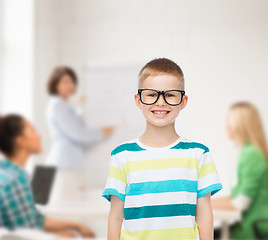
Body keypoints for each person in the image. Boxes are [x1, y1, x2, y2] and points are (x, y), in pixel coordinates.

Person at [102, 58, 223, 240]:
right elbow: (116, 216)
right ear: (138, 100)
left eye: (170, 95)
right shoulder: (122, 156)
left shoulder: (199, 154)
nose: (160, 102)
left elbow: (204, 214)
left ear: (183, 101)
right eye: (151, 95)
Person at [0, 114, 95, 238]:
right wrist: (58, 236)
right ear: (21, 141)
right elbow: (26, 233)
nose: (39, 135)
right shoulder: (16, 180)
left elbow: (34, 220)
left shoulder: (8, 172)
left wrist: (75, 225)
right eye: (32, 131)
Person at [46, 66, 115, 202]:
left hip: (64, 165)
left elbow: (76, 126)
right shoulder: (57, 105)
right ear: (56, 84)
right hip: (62, 166)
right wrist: (101, 131)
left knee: (65, 210)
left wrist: (80, 107)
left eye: (72, 81)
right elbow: (77, 133)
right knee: (65, 211)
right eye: (66, 82)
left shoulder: (63, 106)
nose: (71, 85)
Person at [212, 102, 268, 239]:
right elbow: (237, 197)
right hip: (245, 227)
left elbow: (239, 204)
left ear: (240, 126)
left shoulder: (251, 155)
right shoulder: (246, 152)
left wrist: (201, 204)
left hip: (253, 230)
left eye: (229, 122)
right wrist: (202, 201)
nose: (226, 127)